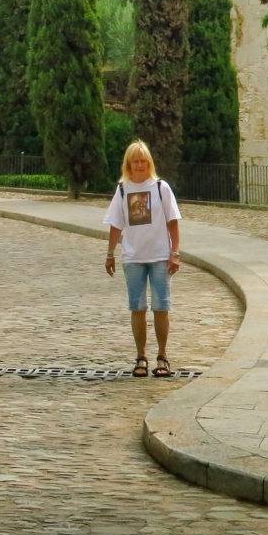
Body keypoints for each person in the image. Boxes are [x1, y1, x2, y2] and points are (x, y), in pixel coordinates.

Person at [103, 140, 181, 377]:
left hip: (159, 255)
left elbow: (173, 222)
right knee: (137, 307)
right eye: (135, 161)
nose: (139, 165)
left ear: (149, 162)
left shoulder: (161, 188)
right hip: (133, 257)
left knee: (161, 306)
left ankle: (162, 356)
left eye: (143, 160)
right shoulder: (123, 189)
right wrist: (110, 254)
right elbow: (116, 225)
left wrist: (175, 253)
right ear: (128, 164)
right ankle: (141, 356)